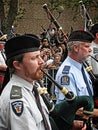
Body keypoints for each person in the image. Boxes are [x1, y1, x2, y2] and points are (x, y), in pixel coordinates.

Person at [0, 34, 87, 130]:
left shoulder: (33, 87)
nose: (41, 61)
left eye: (40, 56)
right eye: (34, 58)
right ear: (17, 65)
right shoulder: (18, 100)